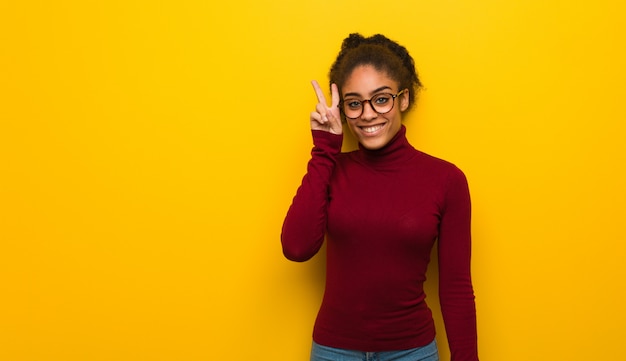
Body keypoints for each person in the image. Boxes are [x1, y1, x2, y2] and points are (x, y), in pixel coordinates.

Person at [281, 33, 479, 361]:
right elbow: (297, 247)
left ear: (403, 99)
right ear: (343, 110)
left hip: (412, 351)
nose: (368, 114)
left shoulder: (446, 180)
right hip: (334, 350)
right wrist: (323, 149)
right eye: (354, 103)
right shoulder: (331, 168)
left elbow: (456, 288)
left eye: (381, 99)